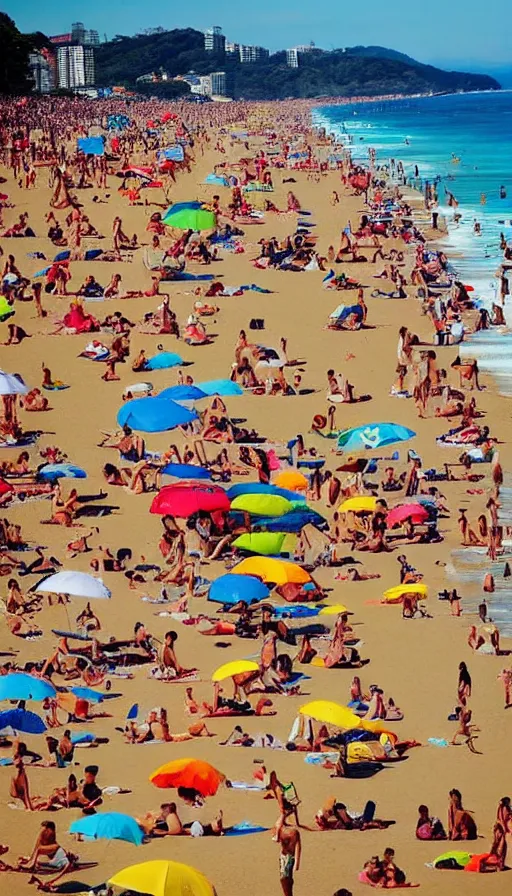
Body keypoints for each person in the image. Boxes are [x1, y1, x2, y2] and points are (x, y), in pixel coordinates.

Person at [277, 826, 301, 896]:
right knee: (283, 879)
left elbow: (298, 847)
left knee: (285, 878)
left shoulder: (294, 833)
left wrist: (297, 863)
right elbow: (276, 839)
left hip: (289, 857)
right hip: (283, 856)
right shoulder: (281, 828)